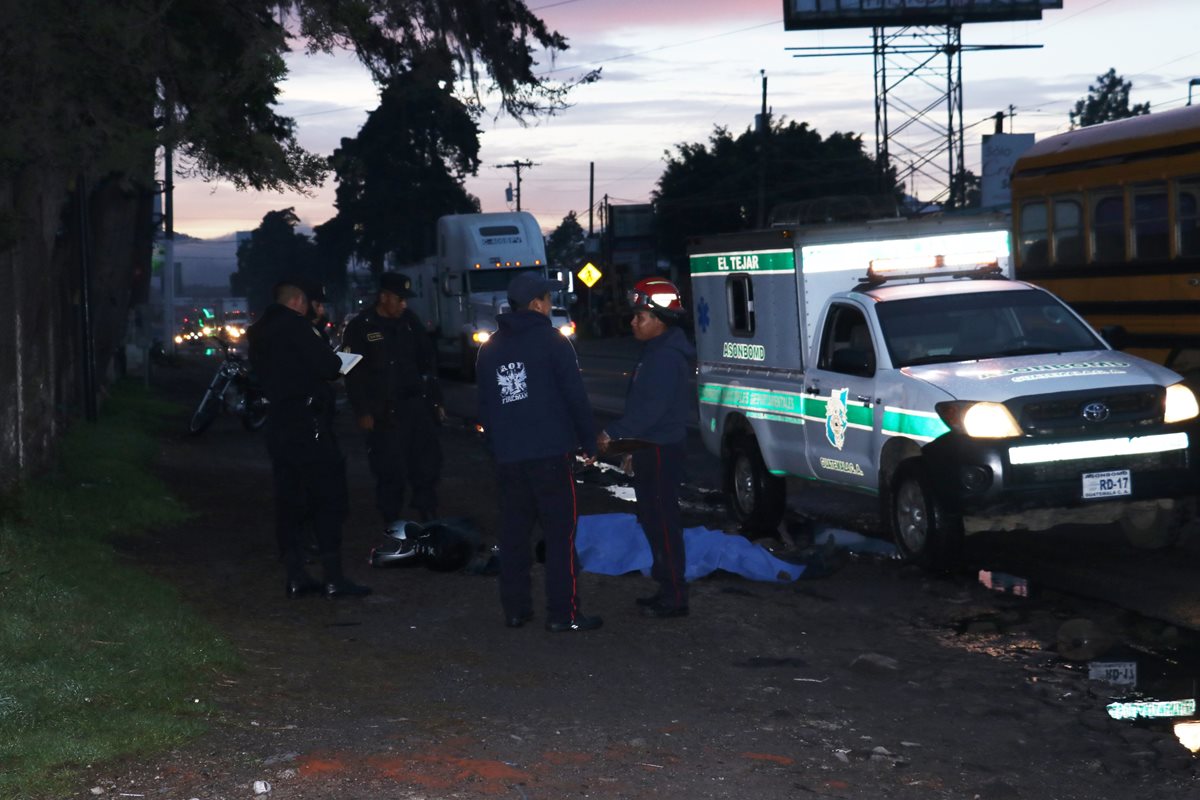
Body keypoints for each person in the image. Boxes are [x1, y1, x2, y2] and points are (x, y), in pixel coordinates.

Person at [476, 272, 602, 632]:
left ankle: (516, 610)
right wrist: (588, 442)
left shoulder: (490, 348)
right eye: (548, 299)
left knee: (514, 536)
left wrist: (497, 447)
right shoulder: (553, 342)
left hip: (509, 459)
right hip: (550, 457)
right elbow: (575, 397)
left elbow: (484, 408)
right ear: (536, 304)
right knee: (560, 537)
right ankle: (564, 614)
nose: (550, 305)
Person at [247, 279, 371, 598]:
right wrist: (337, 362)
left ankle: (295, 573)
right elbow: (329, 367)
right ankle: (333, 577)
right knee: (327, 498)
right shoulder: (297, 326)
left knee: (289, 499)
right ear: (298, 301)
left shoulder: (258, 330)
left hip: (279, 423)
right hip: (309, 425)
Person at [597, 277, 695, 619]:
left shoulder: (665, 356)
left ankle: (675, 596)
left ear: (660, 319)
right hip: (651, 446)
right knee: (654, 521)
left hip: (661, 450)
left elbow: (651, 410)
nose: (633, 322)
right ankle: (666, 587)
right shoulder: (657, 350)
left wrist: (613, 433)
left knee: (663, 522)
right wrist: (630, 448)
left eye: (640, 316)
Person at [341, 272, 444, 526]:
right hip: (384, 411)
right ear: (384, 297)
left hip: (415, 406)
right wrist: (362, 410)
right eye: (400, 299)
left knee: (426, 462)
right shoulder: (360, 327)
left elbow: (427, 362)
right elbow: (351, 373)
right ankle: (391, 518)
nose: (404, 304)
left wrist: (436, 401)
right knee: (389, 468)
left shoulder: (410, 321)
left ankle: (427, 510)